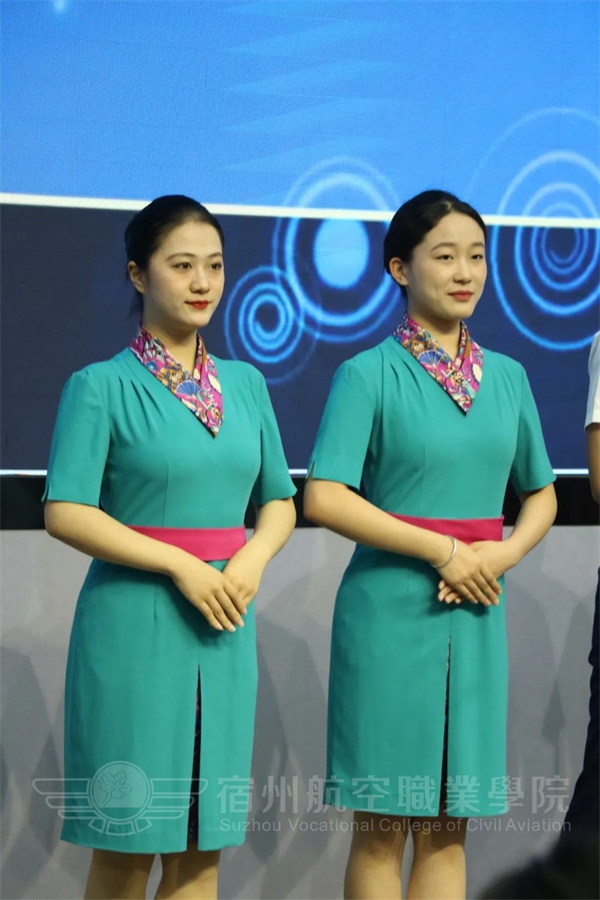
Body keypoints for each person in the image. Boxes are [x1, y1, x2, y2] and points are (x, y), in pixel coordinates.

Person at [304, 190, 557, 900]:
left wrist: (502, 555)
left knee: (449, 828)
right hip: (391, 612)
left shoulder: (509, 377)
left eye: (476, 256)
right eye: (444, 256)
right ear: (399, 268)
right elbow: (324, 496)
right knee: (383, 826)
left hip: (476, 608)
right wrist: (443, 552)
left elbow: (541, 493)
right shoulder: (367, 373)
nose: (464, 272)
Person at [43, 195, 296, 900]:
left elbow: (279, 500)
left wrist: (250, 558)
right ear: (137, 274)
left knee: (201, 851)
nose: (201, 282)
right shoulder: (100, 386)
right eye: (182, 266)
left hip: (224, 623)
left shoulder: (247, 384)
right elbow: (65, 510)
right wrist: (182, 564)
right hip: (134, 629)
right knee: (126, 851)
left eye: (214, 266)